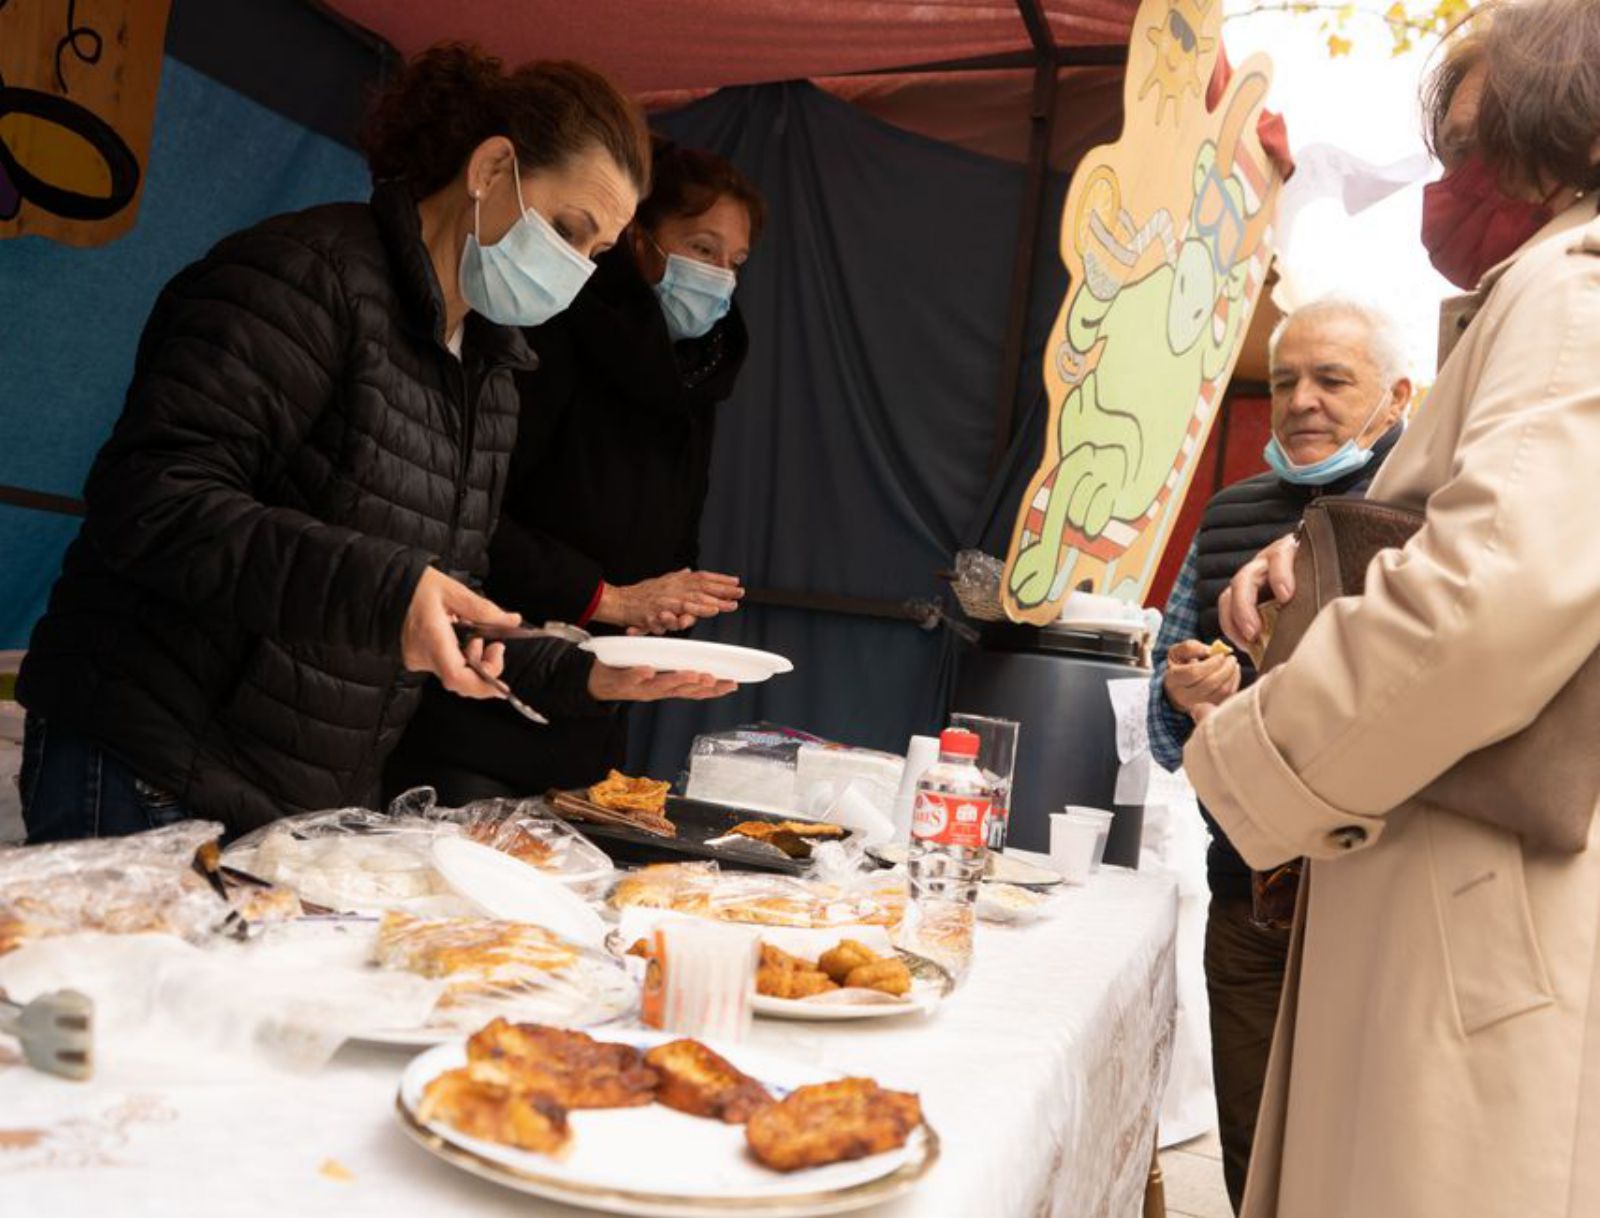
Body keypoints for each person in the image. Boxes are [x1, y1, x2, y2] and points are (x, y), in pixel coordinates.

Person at [16, 44, 731, 844]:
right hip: (150, 760)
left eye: (596, 254)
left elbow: (431, 599)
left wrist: (583, 673)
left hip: (293, 798)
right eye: (568, 229)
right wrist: (389, 592)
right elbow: (154, 502)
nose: (575, 269)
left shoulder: (490, 370)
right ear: (492, 170)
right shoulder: (302, 276)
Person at [1186, 2, 1600, 1214]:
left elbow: (1490, 592)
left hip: (1470, 913)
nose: (1450, 182)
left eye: (1469, 145)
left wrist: (1249, 760)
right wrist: (1317, 580)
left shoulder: (1571, 294)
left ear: (1553, 130)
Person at [386, 140, 764, 803]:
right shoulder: (548, 334)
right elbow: (468, 519)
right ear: (641, 241)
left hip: (589, 728)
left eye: (735, 262)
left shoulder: (698, 380)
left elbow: (666, 544)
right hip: (471, 712)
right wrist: (605, 597)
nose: (719, 278)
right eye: (702, 249)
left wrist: (668, 612)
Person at [1147, 298, 1409, 1212]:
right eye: (1287, 378)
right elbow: (1162, 721)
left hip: (1383, 907)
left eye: (1333, 380)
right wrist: (1189, 697)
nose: (1301, 401)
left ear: (1397, 396)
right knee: (1252, 1154)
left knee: (1374, 1161)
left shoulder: (1429, 509)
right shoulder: (1229, 515)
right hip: (1248, 896)